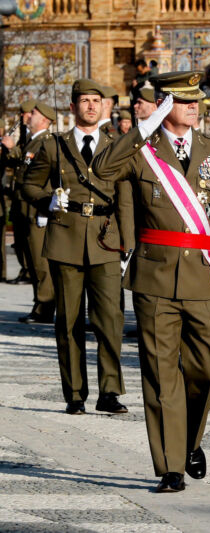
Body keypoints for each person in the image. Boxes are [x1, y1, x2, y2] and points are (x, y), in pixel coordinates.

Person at [92, 71, 210, 492]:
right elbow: (102, 169)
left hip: (206, 277)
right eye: (184, 100)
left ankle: (189, 441)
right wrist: (143, 128)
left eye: (197, 100)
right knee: (161, 376)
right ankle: (170, 467)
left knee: (208, 372)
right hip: (154, 278)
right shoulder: (141, 151)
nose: (195, 106)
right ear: (164, 105)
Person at [22, 79, 126, 416]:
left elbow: (127, 196)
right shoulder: (55, 146)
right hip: (66, 238)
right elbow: (30, 185)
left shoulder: (116, 145)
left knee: (109, 319)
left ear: (104, 106)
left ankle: (109, 391)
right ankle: (75, 393)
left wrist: (128, 241)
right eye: (85, 101)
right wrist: (47, 200)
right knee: (68, 322)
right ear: (72, 107)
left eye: (97, 100)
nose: (92, 106)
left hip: (105, 238)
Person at [2, 101, 56, 324]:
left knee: (40, 263)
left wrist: (45, 210)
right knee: (32, 262)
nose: (28, 116)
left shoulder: (46, 143)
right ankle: (39, 304)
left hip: (36, 210)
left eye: (33, 113)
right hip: (24, 209)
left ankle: (44, 308)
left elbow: (48, 179)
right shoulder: (32, 142)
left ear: (44, 119)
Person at [4, 99, 37, 285]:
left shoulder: (36, 137)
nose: (25, 117)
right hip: (18, 193)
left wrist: (12, 149)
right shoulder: (25, 133)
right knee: (18, 236)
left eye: (26, 114)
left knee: (27, 237)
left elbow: (27, 157)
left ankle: (29, 271)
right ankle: (25, 269)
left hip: (28, 195)